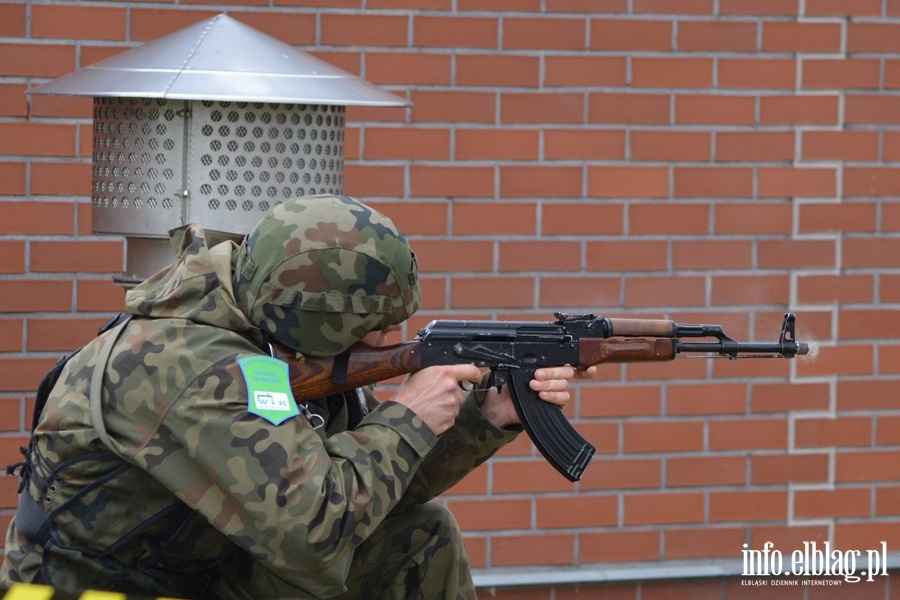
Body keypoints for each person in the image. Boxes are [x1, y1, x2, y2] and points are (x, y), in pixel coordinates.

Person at [1, 195, 592, 599]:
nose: (391, 344)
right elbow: (314, 536)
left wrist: (485, 418)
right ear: (319, 325)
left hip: (191, 573)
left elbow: (364, 497)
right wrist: (408, 418)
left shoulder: (264, 341)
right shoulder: (191, 369)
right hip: (92, 592)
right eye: (376, 331)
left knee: (422, 535)